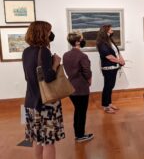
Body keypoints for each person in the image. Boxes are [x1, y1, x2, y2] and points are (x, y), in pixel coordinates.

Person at [22, 21, 65, 159]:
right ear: (42, 33)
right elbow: (48, 78)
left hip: (30, 102)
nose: (50, 34)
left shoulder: (26, 52)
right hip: (45, 103)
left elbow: (29, 77)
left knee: (37, 140)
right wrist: (56, 63)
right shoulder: (44, 51)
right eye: (48, 31)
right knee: (49, 142)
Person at [63, 33, 94, 142]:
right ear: (77, 42)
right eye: (82, 39)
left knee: (78, 111)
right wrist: (89, 81)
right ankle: (80, 135)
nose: (83, 40)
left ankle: (78, 134)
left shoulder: (65, 55)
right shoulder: (82, 56)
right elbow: (87, 72)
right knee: (81, 112)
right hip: (81, 88)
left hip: (70, 86)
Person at [96, 24, 125, 114]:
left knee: (110, 86)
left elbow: (116, 52)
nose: (112, 29)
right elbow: (109, 56)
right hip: (108, 68)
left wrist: (121, 59)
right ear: (106, 31)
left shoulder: (109, 40)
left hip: (114, 67)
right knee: (108, 87)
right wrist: (119, 61)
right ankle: (105, 106)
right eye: (110, 28)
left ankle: (109, 103)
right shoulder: (101, 43)